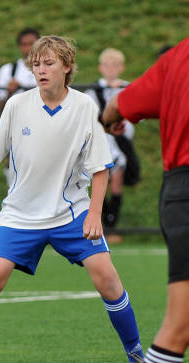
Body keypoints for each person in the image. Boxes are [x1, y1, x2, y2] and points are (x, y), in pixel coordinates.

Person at [0, 36, 145, 363]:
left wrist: (95, 214)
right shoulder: (16, 105)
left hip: (72, 212)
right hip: (20, 215)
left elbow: (101, 168)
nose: (41, 70)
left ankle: (137, 358)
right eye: (36, 64)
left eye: (48, 63)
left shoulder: (85, 106)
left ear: (67, 67)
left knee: (107, 278)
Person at [101, 38, 189, 363]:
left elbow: (114, 109)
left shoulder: (177, 58)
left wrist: (112, 119)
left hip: (180, 191)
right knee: (179, 322)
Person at [86, 48, 140, 244]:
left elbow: (138, 113)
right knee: (100, 183)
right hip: (102, 142)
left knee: (117, 181)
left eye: (115, 65)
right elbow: (90, 116)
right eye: (107, 65)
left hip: (121, 143)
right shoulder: (93, 91)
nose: (111, 69)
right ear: (101, 67)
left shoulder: (128, 88)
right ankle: (100, 225)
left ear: (121, 67)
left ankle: (112, 226)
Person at [0, 28, 40, 113]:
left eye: (32, 44)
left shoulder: (50, 70)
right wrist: (10, 93)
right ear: (19, 47)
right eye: (24, 44)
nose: (29, 48)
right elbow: (1, 110)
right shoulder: (7, 70)